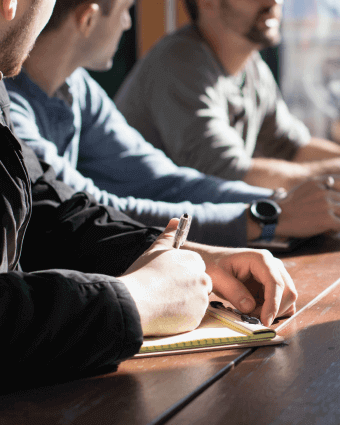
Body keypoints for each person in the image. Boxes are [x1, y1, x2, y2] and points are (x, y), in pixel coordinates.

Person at [0, 0, 296, 386]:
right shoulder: (180, 61)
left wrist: (182, 255)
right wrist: (138, 298)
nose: (128, 23)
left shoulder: (45, 89)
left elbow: (52, 211)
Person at [6, 0, 340, 248]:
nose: (128, 24)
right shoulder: (10, 111)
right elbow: (91, 212)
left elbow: (161, 180)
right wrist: (266, 217)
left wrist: (276, 201)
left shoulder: (76, 87)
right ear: (87, 19)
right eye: (127, 9)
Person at [114, 0, 340, 192]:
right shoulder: (179, 63)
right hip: (149, 240)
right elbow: (227, 174)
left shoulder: (251, 65)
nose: (275, 2)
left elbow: (290, 146)